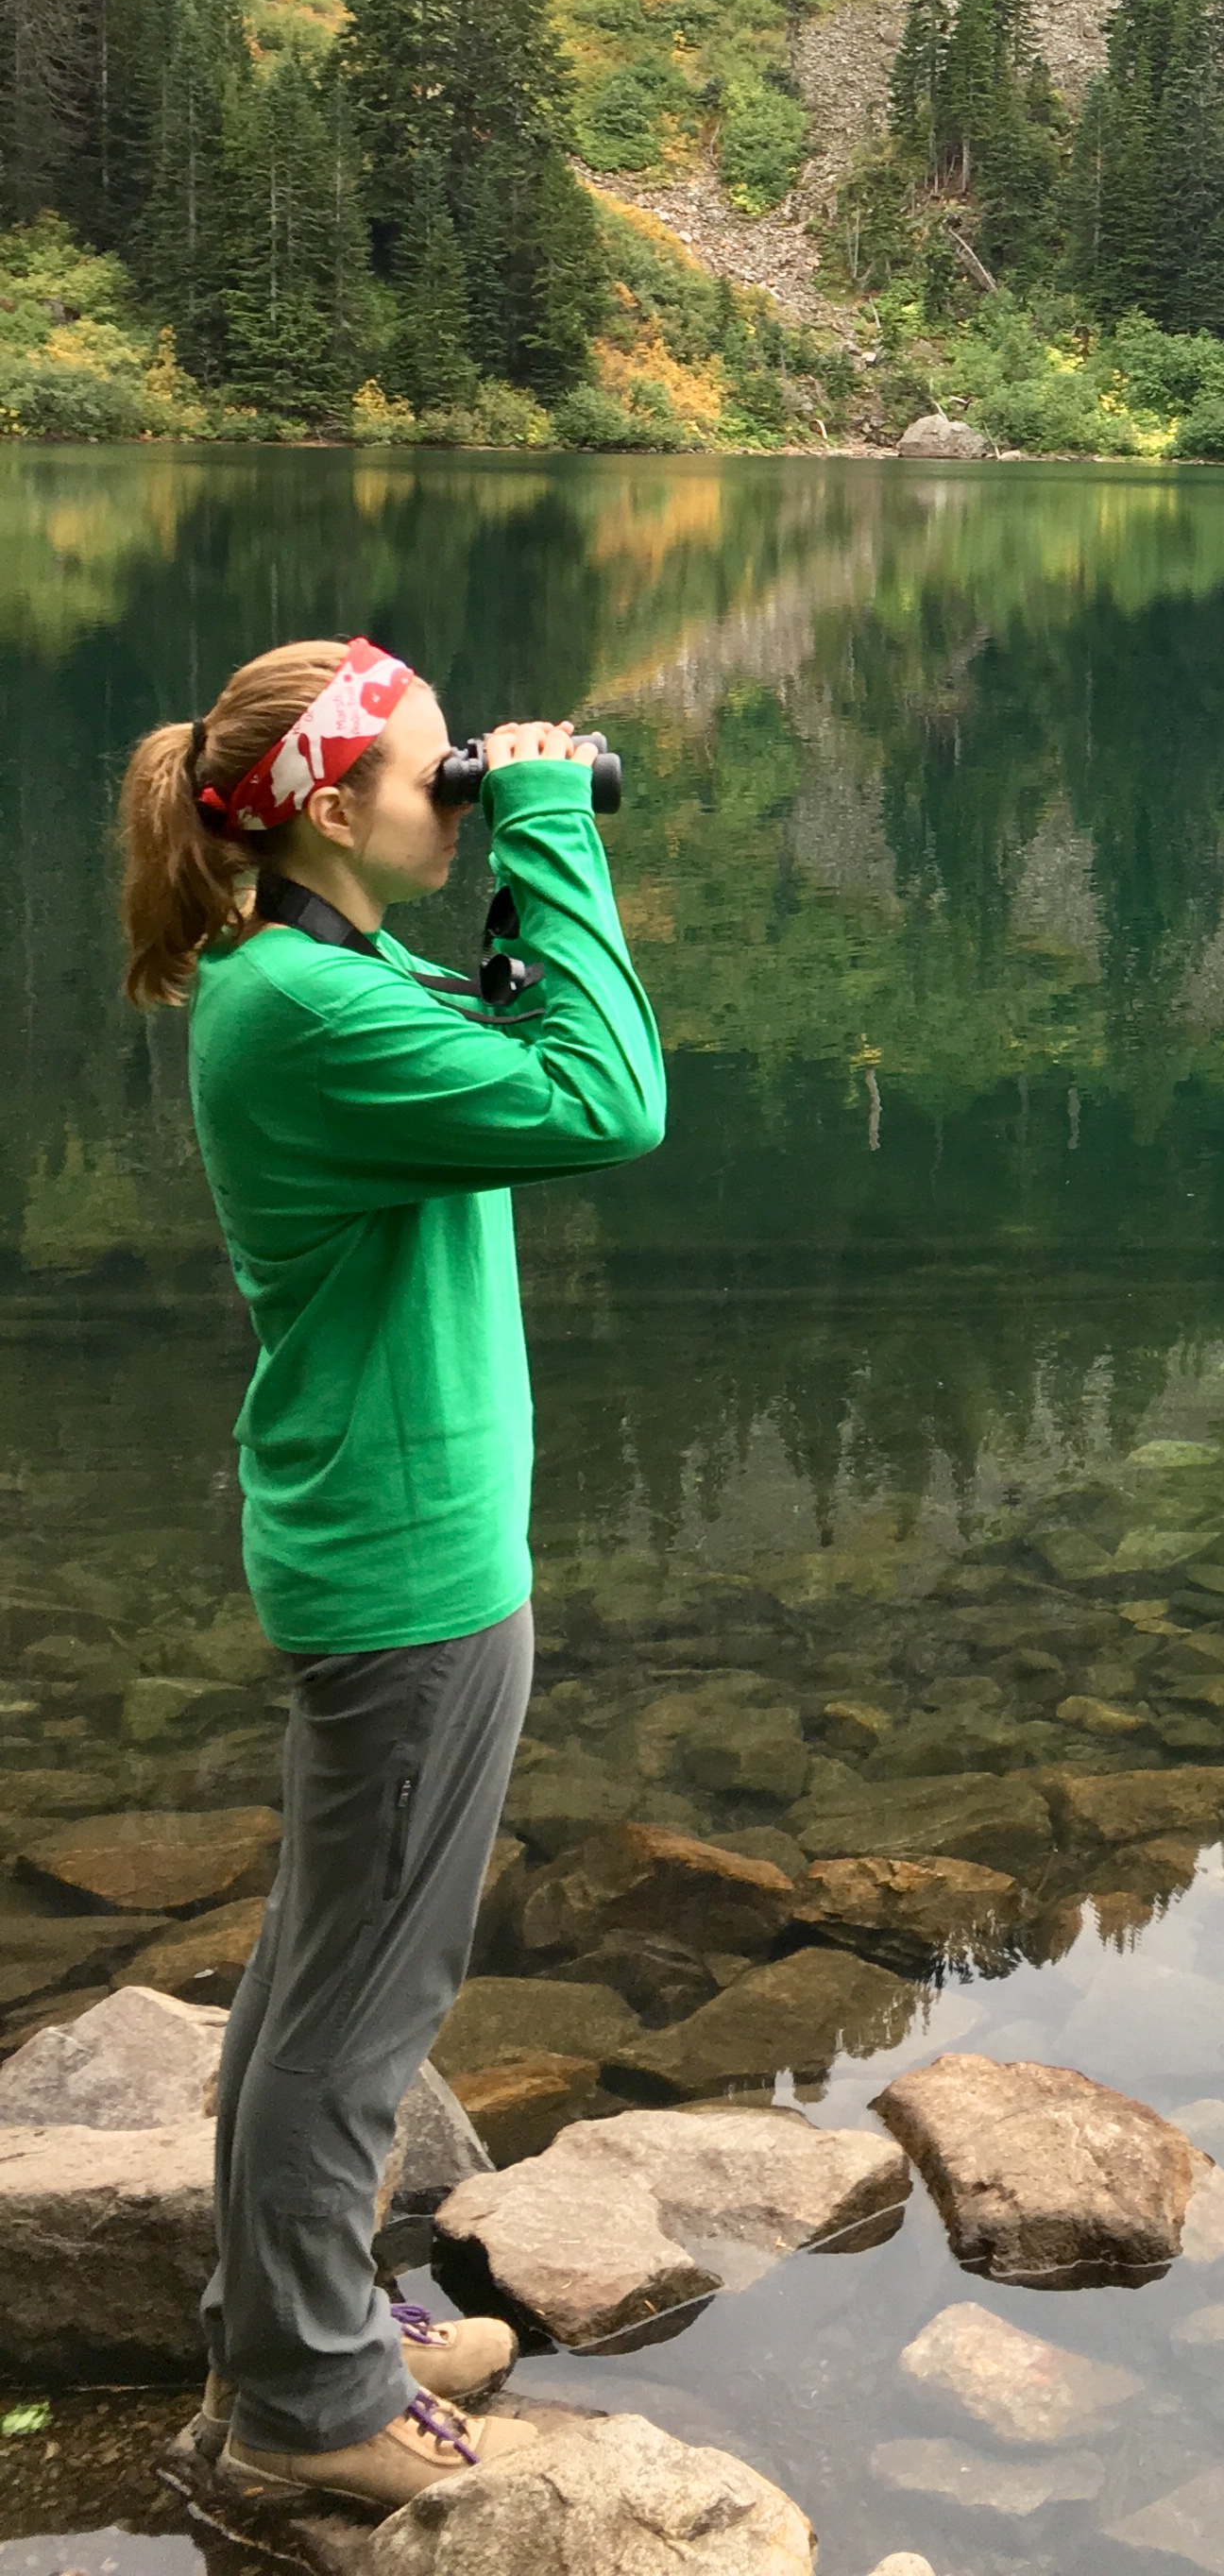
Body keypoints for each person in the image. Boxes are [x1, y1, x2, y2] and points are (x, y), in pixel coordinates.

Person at [117, 637, 666, 2514]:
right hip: (410, 1583)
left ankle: (291, 2317)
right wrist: (565, 846)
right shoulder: (310, 1007)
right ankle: (306, 2412)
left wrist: (520, 848)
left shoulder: (322, 969)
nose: (468, 793)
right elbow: (607, 1100)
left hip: (386, 1550)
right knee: (361, 2007)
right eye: (445, 775)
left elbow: (512, 1039)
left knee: (314, 1976)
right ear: (336, 810)